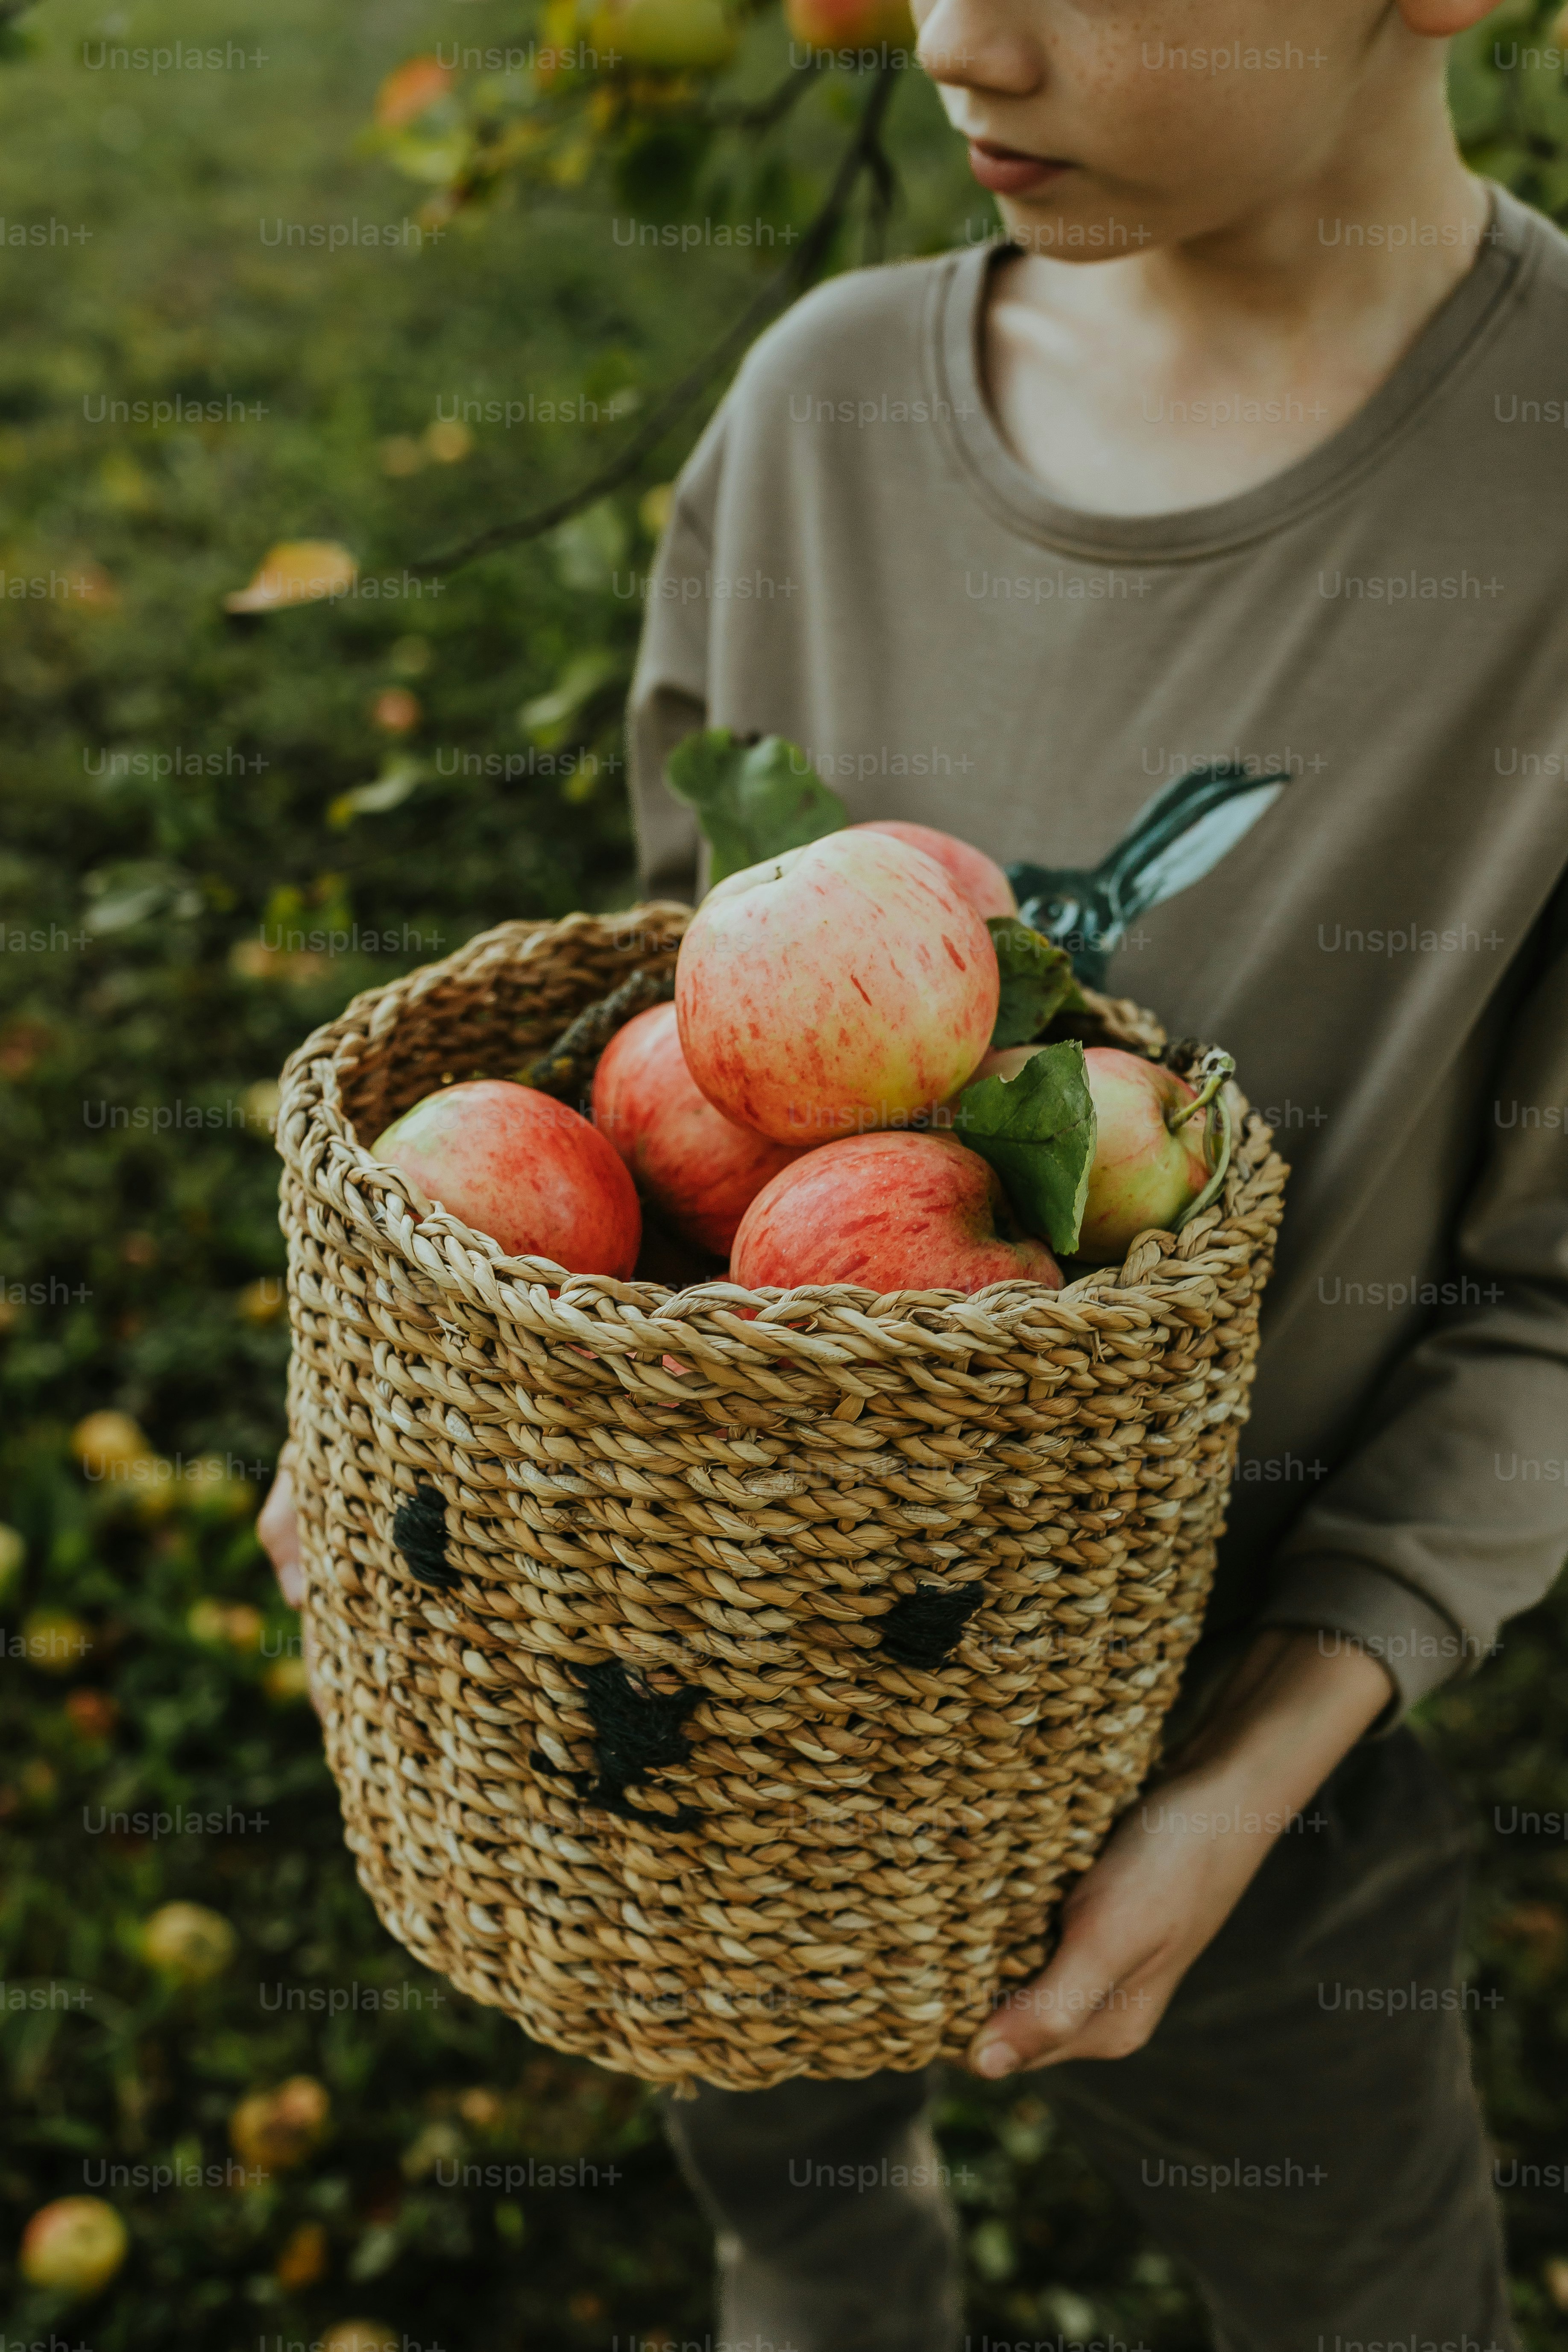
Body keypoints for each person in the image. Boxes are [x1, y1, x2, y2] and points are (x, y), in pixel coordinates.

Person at [260, 0, 1568, 2343]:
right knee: (785, 2183)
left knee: (1360, 2284)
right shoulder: (819, 412)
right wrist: (406, 1417)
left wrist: (1267, 1750)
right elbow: (649, 1069)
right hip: (717, 1688)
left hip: (1232, 1723)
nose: (950, 33)